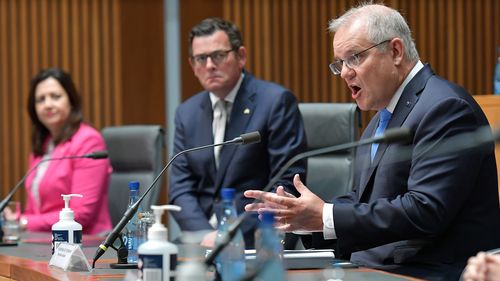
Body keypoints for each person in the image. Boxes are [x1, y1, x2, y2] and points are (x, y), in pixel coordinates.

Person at [244, 3, 500, 280]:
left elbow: (426, 210)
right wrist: (304, 219)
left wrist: (326, 217)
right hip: (376, 268)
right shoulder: (383, 118)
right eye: (340, 63)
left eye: (354, 57)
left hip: (428, 272)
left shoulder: (445, 107)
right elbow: (363, 200)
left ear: (395, 51)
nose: (344, 72)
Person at [168, 17, 307, 248]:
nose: (210, 65)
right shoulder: (187, 113)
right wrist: (205, 235)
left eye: (219, 56)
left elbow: (285, 186)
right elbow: (181, 190)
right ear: (192, 66)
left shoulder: (275, 102)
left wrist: (230, 237)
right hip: (202, 241)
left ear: (241, 56)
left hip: (257, 240)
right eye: (201, 58)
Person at [6, 68, 113, 235]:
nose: (47, 104)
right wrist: (15, 219)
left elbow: (80, 214)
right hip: (43, 241)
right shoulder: (42, 145)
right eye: (40, 99)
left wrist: (24, 222)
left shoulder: (89, 141)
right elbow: (34, 209)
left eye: (55, 97)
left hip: (84, 244)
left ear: (71, 100)